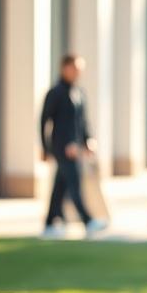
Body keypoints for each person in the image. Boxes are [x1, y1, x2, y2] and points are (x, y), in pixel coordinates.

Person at [39, 54, 105, 238]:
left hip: (76, 148)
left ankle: (49, 222)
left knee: (60, 185)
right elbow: (44, 121)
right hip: (62, 148)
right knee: (74, 184)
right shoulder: (55, 93)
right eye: (75, 68)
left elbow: (82, 122)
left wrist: (88, 140)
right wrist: (45, 148)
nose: (78, 73)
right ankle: (88, 220)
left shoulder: (79, 93)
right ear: (65, 68)